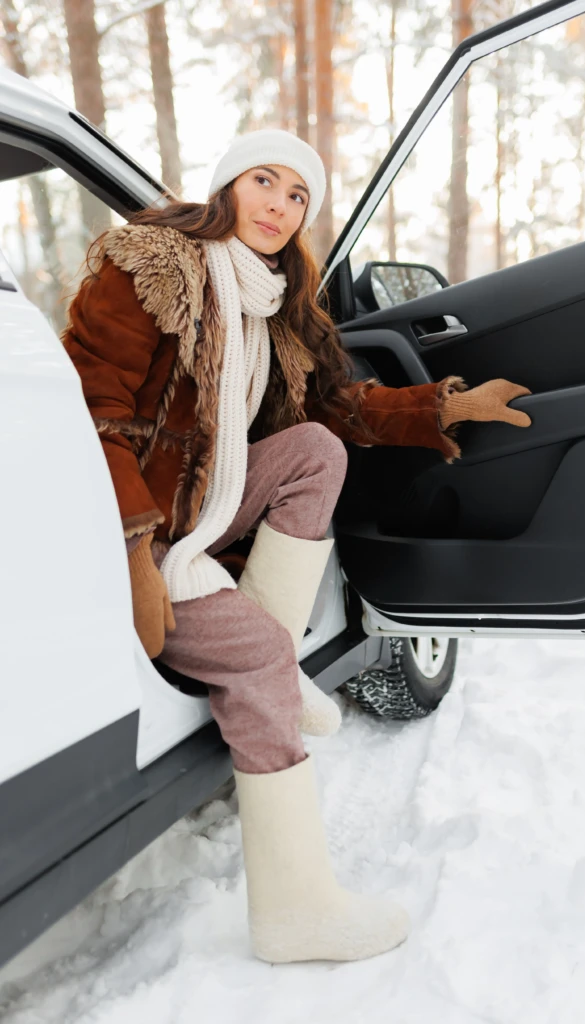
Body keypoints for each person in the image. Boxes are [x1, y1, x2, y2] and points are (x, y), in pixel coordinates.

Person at [62, 129, 531, 964]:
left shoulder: (276, 305)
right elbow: (92, 416)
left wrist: (442, 410)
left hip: (199, 507)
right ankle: (293, 912)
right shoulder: (148, 269)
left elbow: (340, 406)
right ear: (226, 184)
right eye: (264, 181)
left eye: (298, 196)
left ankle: (271, 662)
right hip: (119, 518)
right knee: (248, 654)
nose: (279, 206)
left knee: (316, 448)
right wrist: (134, 553)